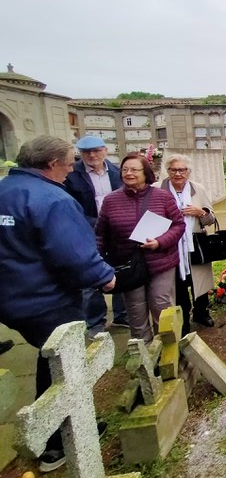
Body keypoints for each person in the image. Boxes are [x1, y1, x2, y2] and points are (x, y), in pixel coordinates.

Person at [0, 135, 116, 472]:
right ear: (51, 164)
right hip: (46, 299)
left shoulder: (5, 191)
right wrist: (104, 276)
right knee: (62, 365)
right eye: (68, 164)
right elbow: (73, 254)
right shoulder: (52, 199)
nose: (71, 170)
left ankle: (55, 429)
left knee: (46, 356)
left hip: (11, 296)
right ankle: (57, 441)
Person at [96, 153, 185, 343]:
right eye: (125, 169)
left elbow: (178, 225)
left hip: (160, 261)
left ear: (146, 173)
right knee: (136, 311)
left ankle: (169, 351)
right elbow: (100, 234)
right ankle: (143, 353)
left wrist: (160, 242)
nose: (129, 173)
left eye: (134, 169)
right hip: (128, 265)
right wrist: (98, 262)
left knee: (162, 308)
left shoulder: (162, 197)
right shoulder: (111, 200)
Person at [64, 135, 129, 339]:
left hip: (117, 232)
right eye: (86, 152)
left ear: (104, 151)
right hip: (87, 232)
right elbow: (69, 207)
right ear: (80, 154)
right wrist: (94, 224)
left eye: (96, 151)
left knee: (121, 271)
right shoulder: (72, 175)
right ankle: (95, 322)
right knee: (91, 278)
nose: (92, 155)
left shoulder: (118, 173)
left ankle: (121, 315)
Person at [156, 154, 216, 336]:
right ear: (168, 171)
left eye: (182, 170)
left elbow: (210, 219)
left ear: (188, 172)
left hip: (195, 242)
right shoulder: (158, 189)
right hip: (171, 245)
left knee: (199, 281)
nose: (178, 174)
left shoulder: (197, 189)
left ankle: (201, 312)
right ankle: (182, 318)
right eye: (174, 170)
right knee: (178, 284)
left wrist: (200, 212)